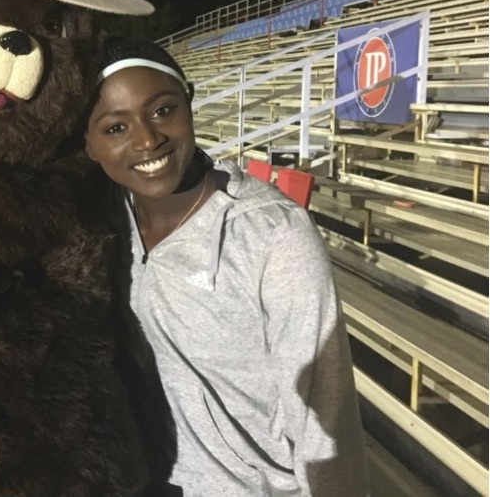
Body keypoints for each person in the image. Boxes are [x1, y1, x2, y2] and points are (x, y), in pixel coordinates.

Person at [83, 35, 370, 497]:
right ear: (89, 145)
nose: (148, 138)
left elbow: (326, 411)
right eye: (116, 128)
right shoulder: (100, 224)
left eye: (162, 110)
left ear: (189, 103)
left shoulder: (274, 234)